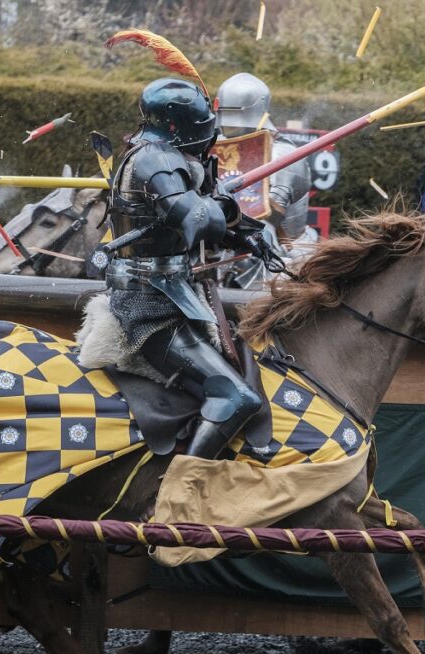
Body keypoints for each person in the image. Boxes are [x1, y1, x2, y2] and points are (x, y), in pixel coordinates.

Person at [95, 77, 265, 460]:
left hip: (175, 295)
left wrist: (247, 238)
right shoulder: (155, 159)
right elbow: (195, 218)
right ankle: (181, 486)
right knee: (235, 396)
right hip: (150, 306)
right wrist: (229, 208)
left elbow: (198, 219)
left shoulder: (160, 152)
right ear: (180, 124)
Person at [215, 72, 315, 287]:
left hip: (281, 249)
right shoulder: (216, 148)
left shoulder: (281, 154)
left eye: (234, 115)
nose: (227, 125)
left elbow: (265, 217)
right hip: (221, 245)